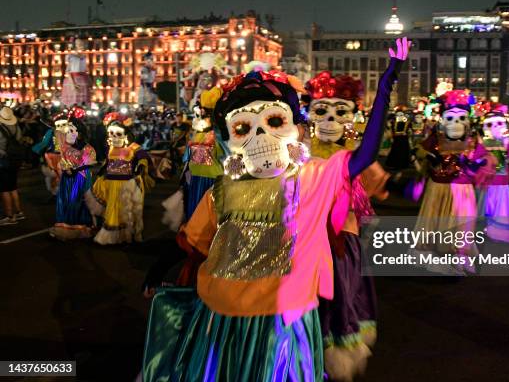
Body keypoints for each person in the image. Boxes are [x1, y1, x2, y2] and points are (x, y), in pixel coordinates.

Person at [141, 37, 408, 382]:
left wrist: (385, 88)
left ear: (294, 128)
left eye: (274, 121)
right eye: (243, 127)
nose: (260, 136)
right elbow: (194, 247)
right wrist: (163, 272)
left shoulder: (311, 180)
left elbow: (365, 155)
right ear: (229, 139)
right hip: (223, 319)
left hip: (283, 322)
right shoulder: (220, 193)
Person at [306, 69, 393, 380]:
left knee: (338, 301)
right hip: (303, 242)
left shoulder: (351, 158)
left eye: (340, 111)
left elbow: (372, 164)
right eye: (321, 110)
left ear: (352, 116)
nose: (330, 119)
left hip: (341, 240)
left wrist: (386, 86)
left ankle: (329, 360)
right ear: (309, 113)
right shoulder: (297, 154)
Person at [414, 90, 496, 274]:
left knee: (462, 223)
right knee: (435, 223)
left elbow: (485, 159)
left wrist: (477, 165)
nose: (455, 124)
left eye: (461, 118)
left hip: (462, 189)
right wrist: (425, 164)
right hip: (438, 188)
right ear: (442, 119)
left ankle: (460, 255)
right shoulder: (436, 138)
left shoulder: (473, 140)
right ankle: (437, 256)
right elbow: (422, 156)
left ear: (468, 120)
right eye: (450, 118)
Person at [85, 112, 154, 245]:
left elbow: (143, 157)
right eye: (112, 134)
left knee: (126, 211)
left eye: (118, 134)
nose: (114, 137)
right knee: (113, 210)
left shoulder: (133, 147)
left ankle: (125, 235)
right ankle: (112, 235)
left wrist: (141, 166)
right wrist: (102, 173)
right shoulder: (111, 148)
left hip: (126, 185)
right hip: (111, 183)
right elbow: (108, 163)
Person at [49, 107, 97, 240]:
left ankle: (79, 228)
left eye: (71, 130)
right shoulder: (63, 143)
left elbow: (88, 163)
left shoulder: (86, 148)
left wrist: (74, 169)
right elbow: (55, 131)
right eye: (67, 130)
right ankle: (64, 227)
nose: (67, 132)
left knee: (75, 202)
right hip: (67, 178)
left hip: (79, 178)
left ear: (79, 133)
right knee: (63, 201)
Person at [477, 104, 509, 243]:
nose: (495, 126)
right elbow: (476, 158)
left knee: (499, 207)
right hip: (487, 180)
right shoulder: (483, 142)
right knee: (487, 206)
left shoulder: (506, 142)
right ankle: (488, 228)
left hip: (501, 180)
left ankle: (498, 230)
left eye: (499, 123)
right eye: (492, 123)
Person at [0, 106, 25, 225]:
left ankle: (10, 216)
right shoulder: (16, 128)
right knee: (13, 187)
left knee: (4, 189)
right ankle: (19, 212)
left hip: (4, 161)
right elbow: (19, 141)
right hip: (15, 160)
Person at [61, 38, 90, 107]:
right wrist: (72, 84)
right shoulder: (71, 56)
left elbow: (85, 71)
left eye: (82, 44)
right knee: (74, 101)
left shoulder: (84, 56)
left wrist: (89, 81)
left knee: (82, 102)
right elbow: (68, 71)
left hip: (83, 80)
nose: (82, 45)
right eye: (79, 44)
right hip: (74, 79)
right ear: (75, 45)